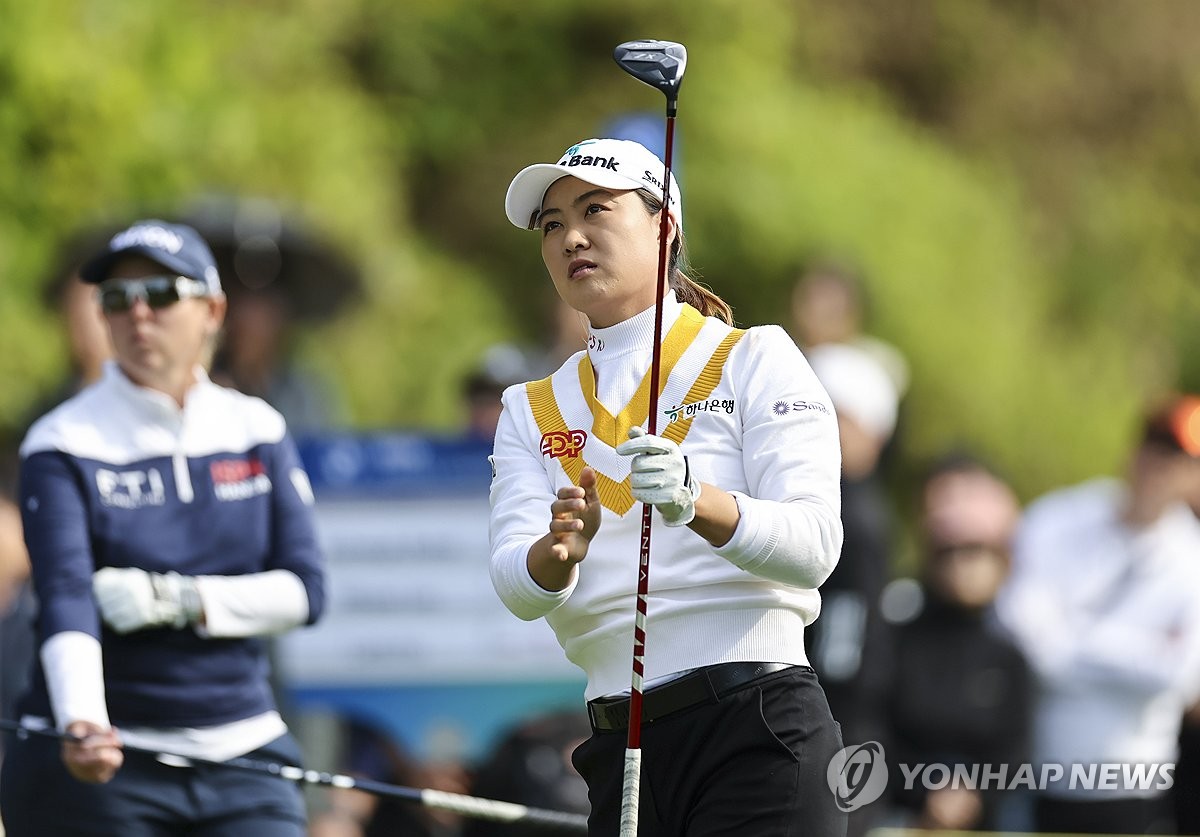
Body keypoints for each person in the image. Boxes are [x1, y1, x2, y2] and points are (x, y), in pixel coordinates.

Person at [489, 137, 846, 835]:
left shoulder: (752, 357)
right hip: (619, 750)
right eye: (553, 224)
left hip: (758, 725)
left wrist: (695, 501)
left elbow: (814, 545)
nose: (572, 237)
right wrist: (560, 550)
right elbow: (515, 584)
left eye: (596, 210)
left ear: (665, 225)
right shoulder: (529, 408)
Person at [0, 220, 327, 836]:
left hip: (244, 751)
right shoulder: (62, 440)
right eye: (116, 300)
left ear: (212, 309)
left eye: (161, 293)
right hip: (108, 757)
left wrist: (177, 599)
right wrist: (82, 723)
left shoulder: (259, 428)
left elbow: (306, 592)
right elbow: (66, 599)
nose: (137, 313)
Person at [995, 393, 1200, 835]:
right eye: (1155, 447)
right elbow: (1026, 637)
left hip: (1134, 784)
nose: (1159, 466)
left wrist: (1074, 637)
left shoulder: (1191, 557)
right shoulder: (1057, 518)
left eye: (1179, 458)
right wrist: (1138, 648)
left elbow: (1177, 674)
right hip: (1040, 776)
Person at [883, 453, 1032, 832]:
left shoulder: (1009, 655)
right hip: (899, 816)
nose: (962, 565)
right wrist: (925, 793)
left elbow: (1016, 750)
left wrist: (974, 796)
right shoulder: (898, 640)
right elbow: (875, 730)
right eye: (949, 551)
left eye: (976, 551)